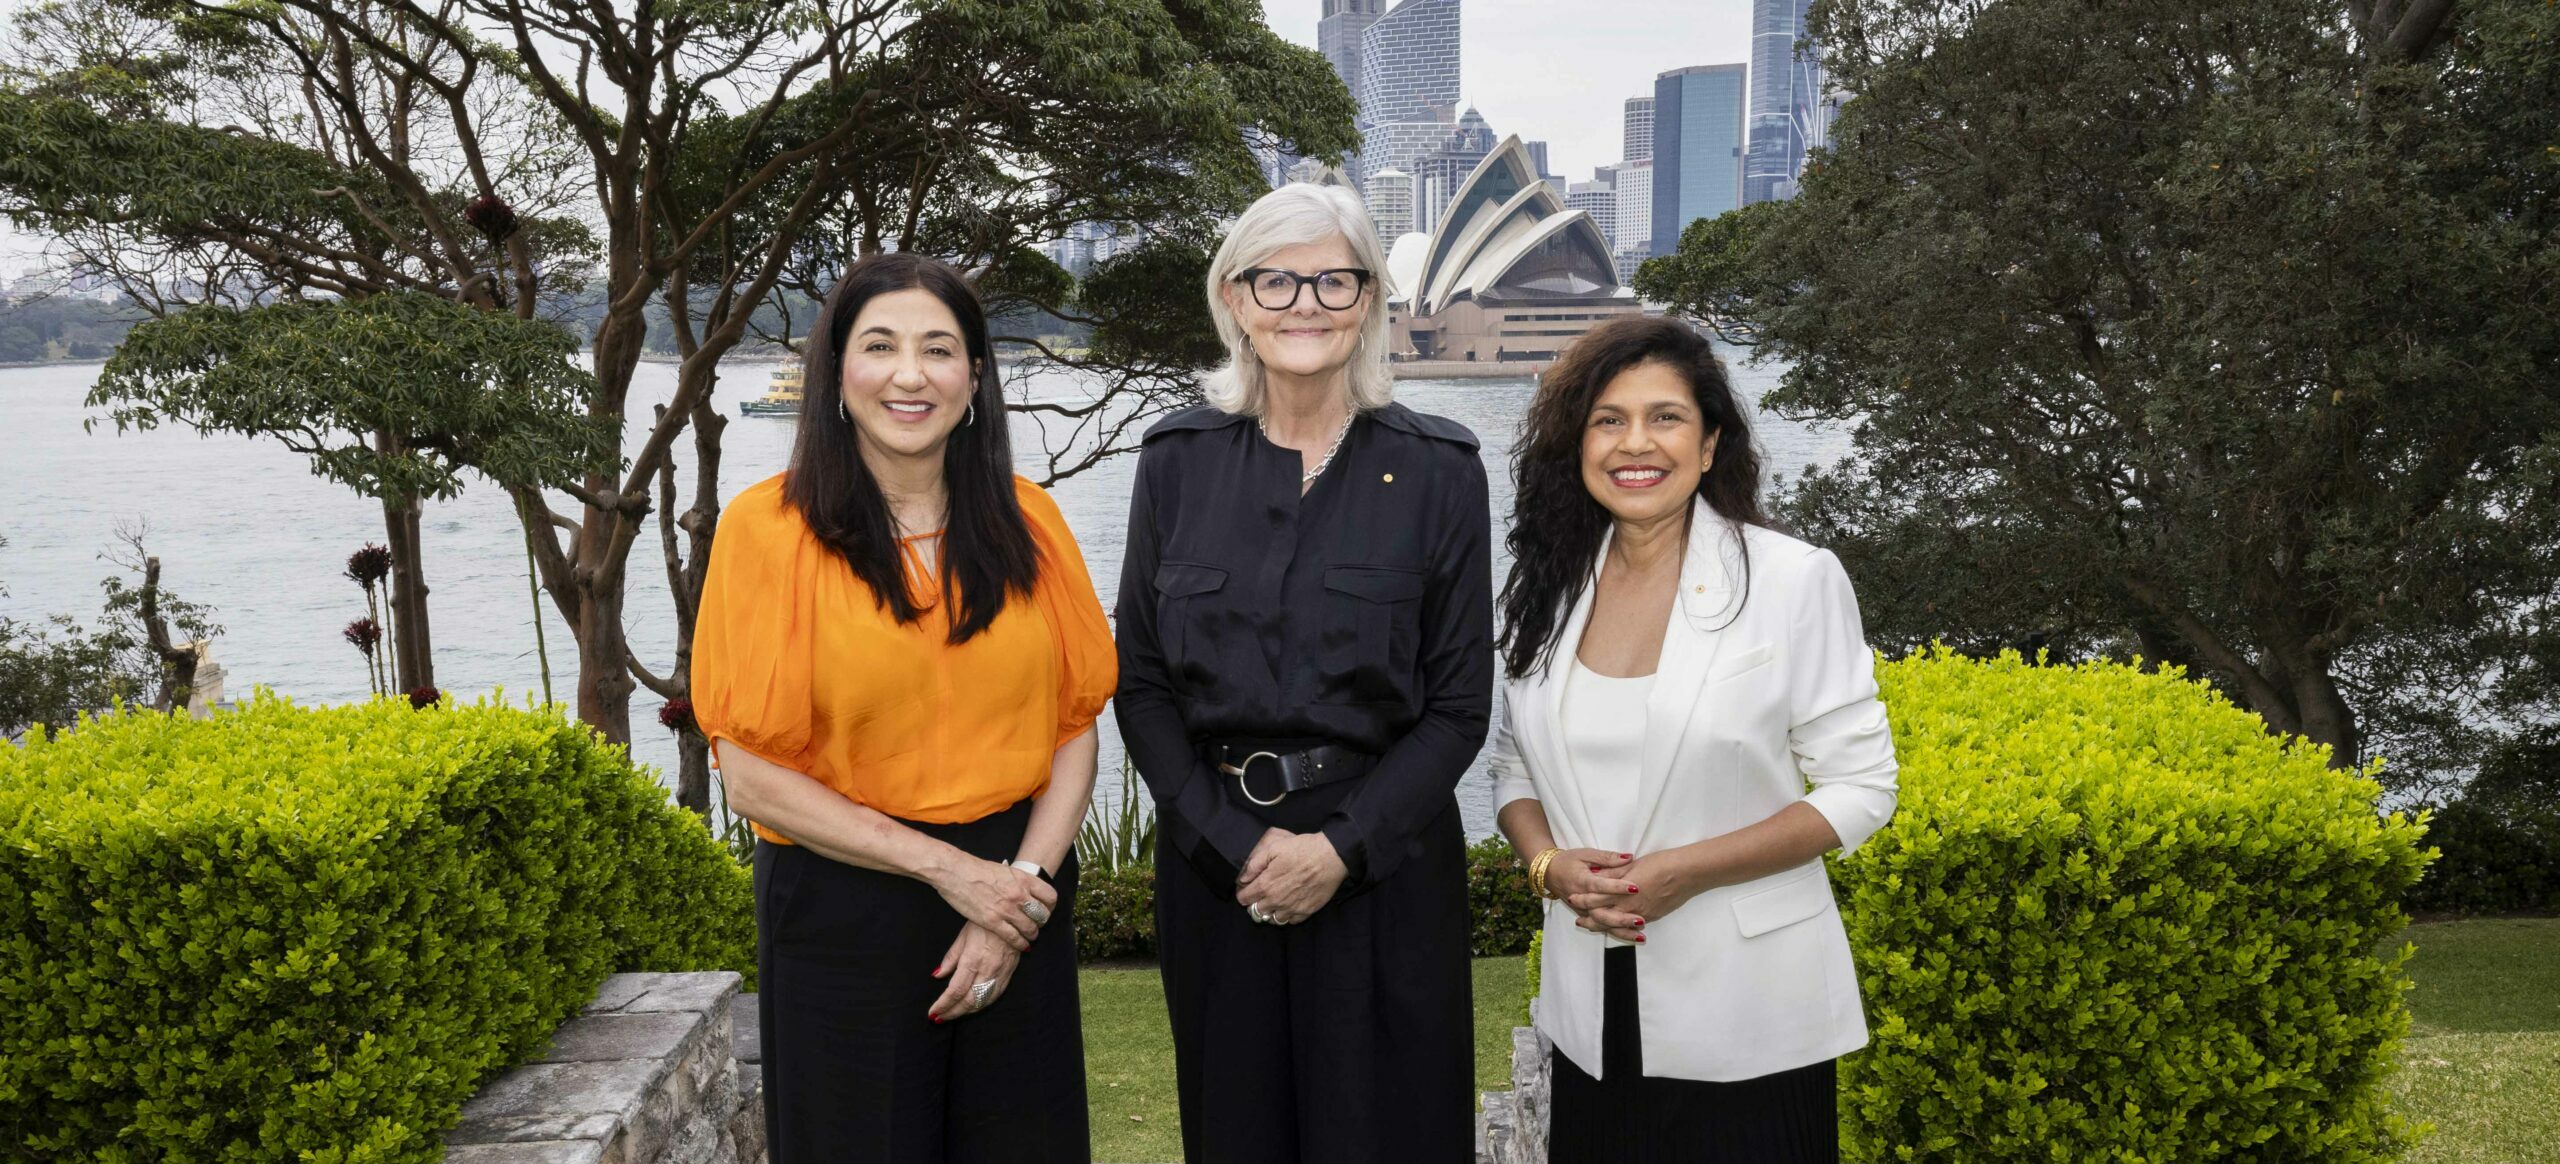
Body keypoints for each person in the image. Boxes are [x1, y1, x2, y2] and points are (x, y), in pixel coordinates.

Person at [690, 252, 1116, 1164]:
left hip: (1020, 895)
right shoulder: (766, 533)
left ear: (974, 378)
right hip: (846, 912)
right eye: (880, 346)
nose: (911, 374)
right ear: (838, 373)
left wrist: (1019, 895)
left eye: (940, 348)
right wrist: (952, 875)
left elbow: (1076, 727)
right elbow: (753, 777)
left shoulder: (1031, 522)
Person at [1112, 180, 1493, 1163]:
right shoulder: (1175, 461)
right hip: (1216, 874)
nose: (1303, 305)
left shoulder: (1440, 471)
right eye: (1274, 281)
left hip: (1387, 873)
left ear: (1369, 300)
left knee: (1394, 1136)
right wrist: (1235, 844)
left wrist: (1339, 852)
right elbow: (1143, 686)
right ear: (1234, 299)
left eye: (1332, 281)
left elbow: (1456, 709)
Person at [1486, 316, 1899, 1162]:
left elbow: (1862, 790)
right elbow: (1512, 766)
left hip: (1753, 1015)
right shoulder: (1550, 592)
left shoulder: (1793, 579)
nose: (1636, 443)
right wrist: (1546, 867)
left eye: (1665, 417)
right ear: (1578, 445)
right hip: (1593, 1016)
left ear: (1710, 445)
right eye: (1609, 419)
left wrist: (1684, 872)